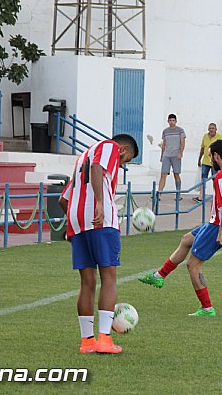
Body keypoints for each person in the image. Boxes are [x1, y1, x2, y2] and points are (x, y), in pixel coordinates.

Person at [139, 139, 222, 316]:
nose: (210, 160)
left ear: (216, 155)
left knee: (193, 265)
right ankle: (159, 277)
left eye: (210, 156)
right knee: (186, 240)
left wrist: (221, 230)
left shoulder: (221, 176)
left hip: (219, 226)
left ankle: (207, 308)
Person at [59, 134, 138, 354]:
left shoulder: (80, 158)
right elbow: (97, 167)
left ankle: (87, 342)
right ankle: (104, 340)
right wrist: (101, 203)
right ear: (122, 149)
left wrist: (76, 222)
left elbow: (62, 200)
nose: (121, 166)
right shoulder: (108, 147)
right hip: (100, 219)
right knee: (109, 277)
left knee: (87, 282)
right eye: (126, 160)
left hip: (77, 220)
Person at [158, 114, 186, 200]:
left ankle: (178, 193)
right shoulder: (165, 131)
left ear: (176, 121)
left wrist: (181, 152)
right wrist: (162, 155)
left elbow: (182, 142)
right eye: (170, 120)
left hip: (176, 155)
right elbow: (164, 143)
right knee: (163, 174)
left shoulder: (180, 130)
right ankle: (159, 193)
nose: (172, 122)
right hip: (167, 155)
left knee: (176, 174)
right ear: (168, 121)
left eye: (173, 120)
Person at [194, 123, 222, 202]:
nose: (211, 130)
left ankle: (216, 196)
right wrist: (199, 159)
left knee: (215, 179)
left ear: (216, 129)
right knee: (203, 178)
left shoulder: (219, 137)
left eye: (213, 128)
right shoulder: (205, 136)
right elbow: (202, 149)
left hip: (215, 161)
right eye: (210, 128)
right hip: (206, 161)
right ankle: (201, 196)